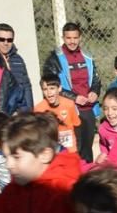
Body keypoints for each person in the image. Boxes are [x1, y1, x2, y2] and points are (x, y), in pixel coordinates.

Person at [42, 22, 101, 162]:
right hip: (68, 109)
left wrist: (94, 91)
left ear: (80, 37)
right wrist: (74, 97)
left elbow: (96, 80)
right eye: (68, 38)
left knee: (87, 150)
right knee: (73, 149)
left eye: (75, 37)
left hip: (88, 109)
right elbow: (52, 86)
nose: (72, 41)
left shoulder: (87, 57)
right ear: (63, 38)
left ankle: (86, 179)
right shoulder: (54, 58)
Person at [33, 75, 81, 155]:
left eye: (52, 88)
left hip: (71, 150)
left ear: (59, 88)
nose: (49, 93)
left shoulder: (69, 104)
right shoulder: (38, 109)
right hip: (51, 150)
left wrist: (77, 148)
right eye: (45, 89)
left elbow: (77, 126)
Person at [0, 23, 34, 113]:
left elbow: (26, 85)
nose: (6, 43)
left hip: (20, 110)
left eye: (9, 40)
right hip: (2, 111)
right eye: (1, 39)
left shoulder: (18, 59)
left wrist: (29, 109)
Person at [95, 87, 117, 167]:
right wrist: (103, 155)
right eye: (106, 109)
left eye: (114, 109)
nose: (110, 113)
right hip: (114, 170)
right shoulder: (103, 129)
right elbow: (104, 145)